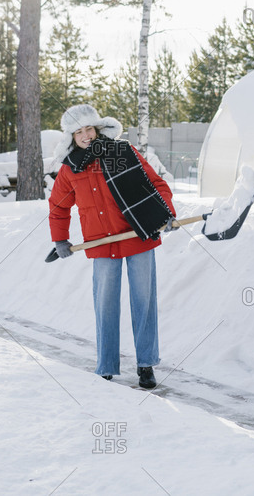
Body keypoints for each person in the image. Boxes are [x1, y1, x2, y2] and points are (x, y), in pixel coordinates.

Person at [48, 104, 176, 389]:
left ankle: (146, 365)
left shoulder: (122, 153)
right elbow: (58, 207)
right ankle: (106, 366)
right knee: (105, 305)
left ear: (97, 129)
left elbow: (156, 184)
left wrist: (165, 212)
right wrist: (59, 239)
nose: (85, 136)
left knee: (144, 302)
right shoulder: (70, 170)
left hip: (138, 236)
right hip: (102, 244)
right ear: (71, 137)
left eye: (89, 129)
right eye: (79, 132)